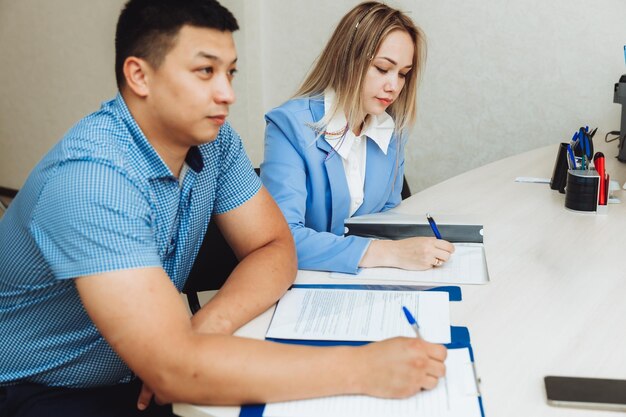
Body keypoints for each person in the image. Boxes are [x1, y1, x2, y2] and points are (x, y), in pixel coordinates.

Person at [0, 0, 446, 416]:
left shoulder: (216, 144)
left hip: (145, 364)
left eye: (230, 72)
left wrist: (206, 326)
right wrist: (363, 369)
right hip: (43, 386)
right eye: (204, 71)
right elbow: (174, 371)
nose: (227, 93)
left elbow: (275, 245)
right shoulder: (91, 180)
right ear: (139, 76)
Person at [261, 2, 456, 274]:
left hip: (366, 279)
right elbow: (280, 240)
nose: (394, 86)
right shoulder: (289, 126)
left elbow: (387, 218)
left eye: (402, 74)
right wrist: (391, 252)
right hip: (305, 282)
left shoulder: (391, 130)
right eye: (382, 68)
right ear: (347, 59)